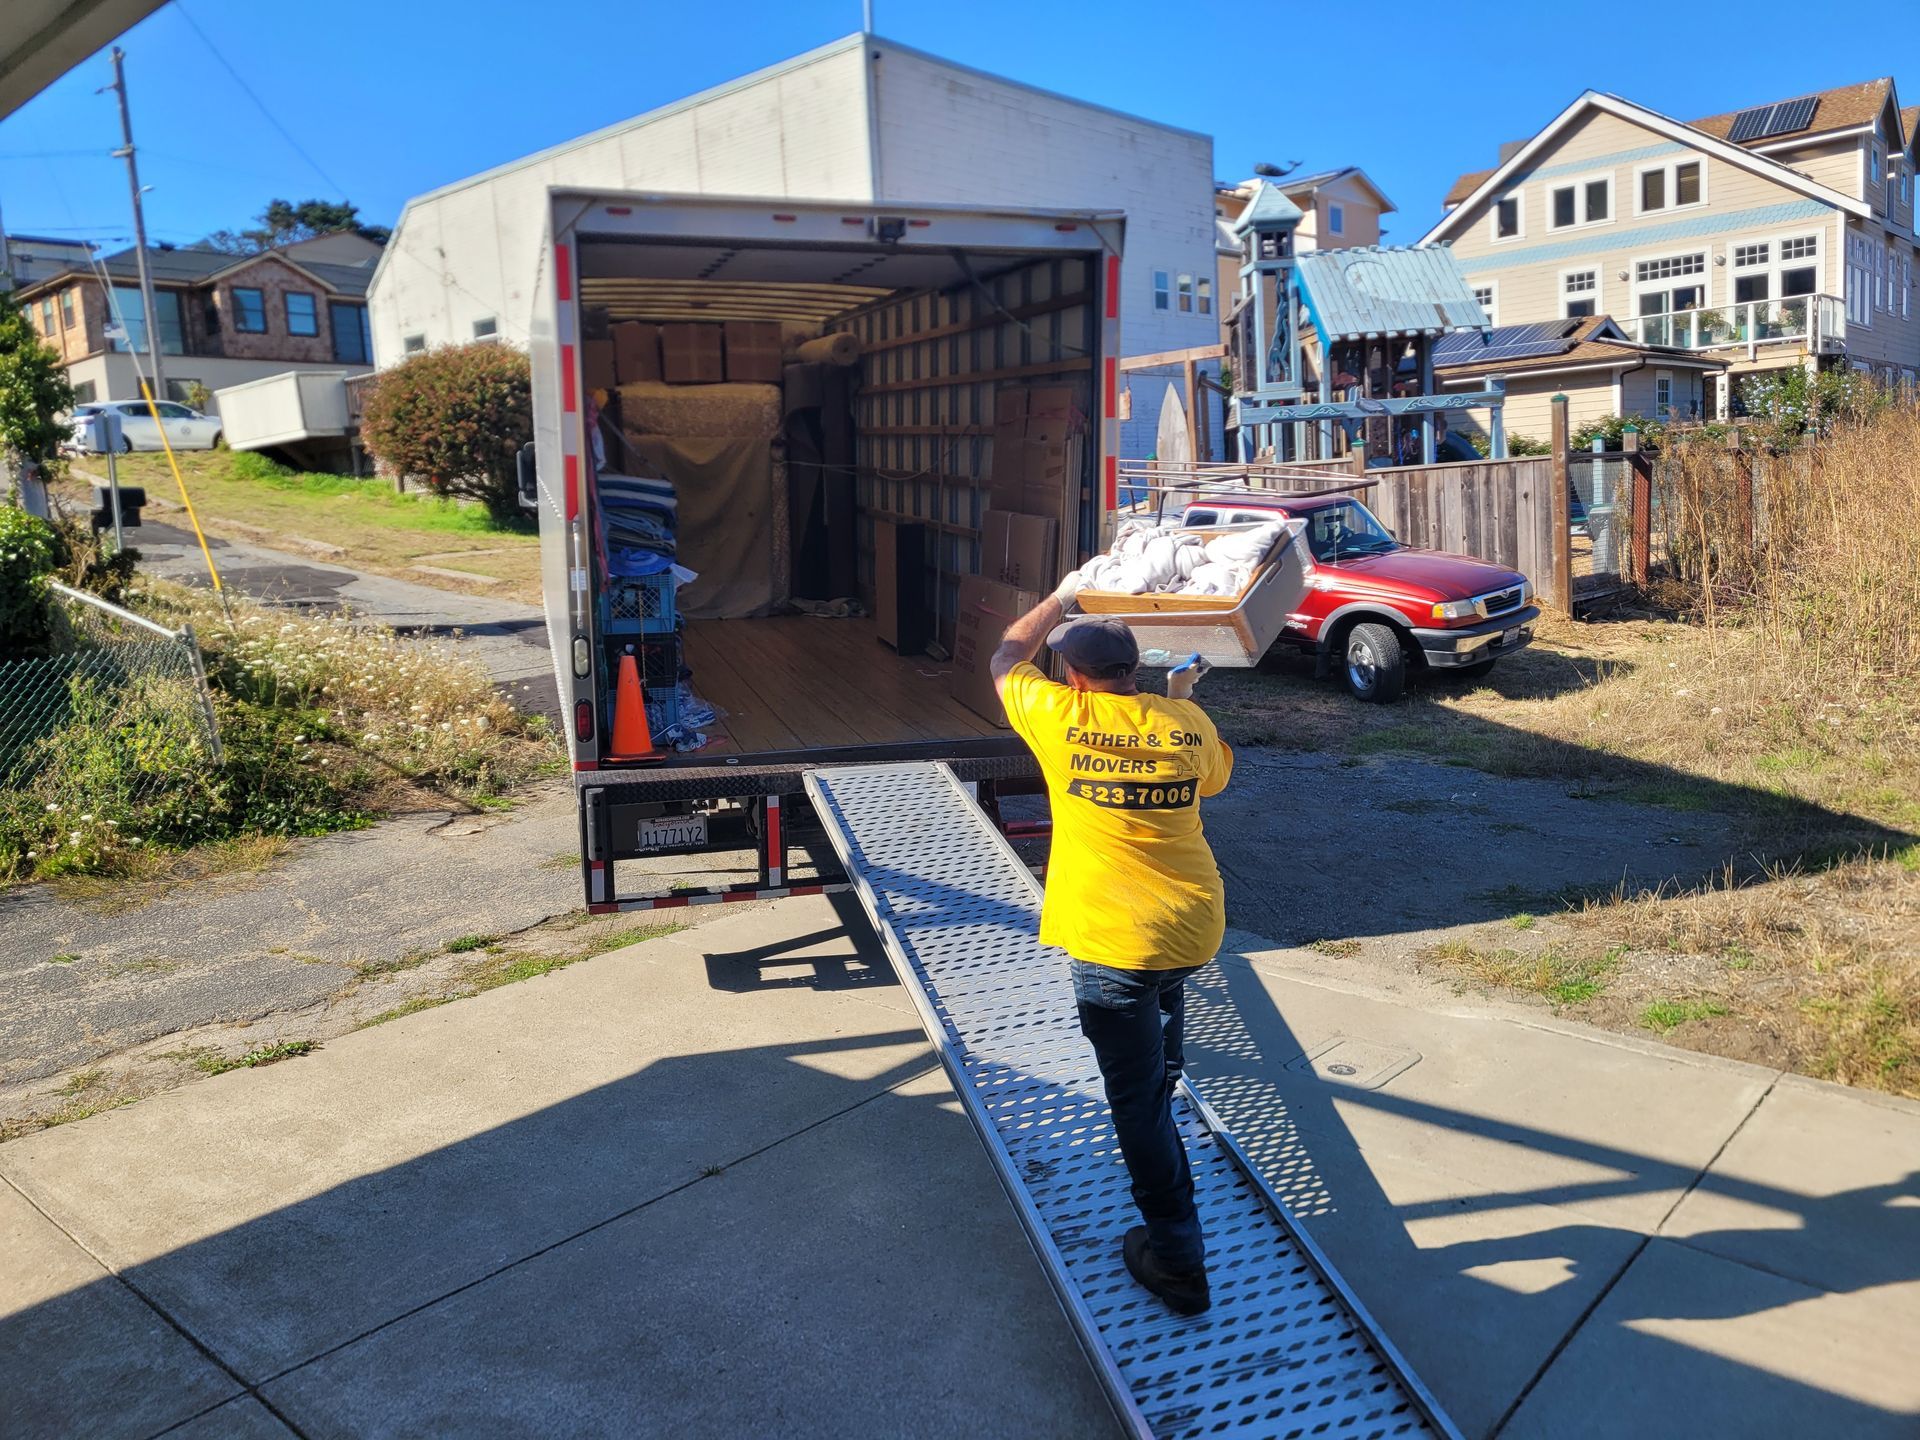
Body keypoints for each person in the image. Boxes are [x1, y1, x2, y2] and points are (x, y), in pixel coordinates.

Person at [988, 572, 1233, 1316]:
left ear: (1073, 674)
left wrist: (1063, 597)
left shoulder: (1057, 715)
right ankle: (1164, 1077)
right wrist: (1181, 700)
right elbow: (1217, 779)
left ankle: (1178, 1260)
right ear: (1134, 669)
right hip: (1192, 924)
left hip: (1112, 941)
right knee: (1155, 1055)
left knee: (1135, 1107)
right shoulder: (1181, 723)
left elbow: (1003, 657)